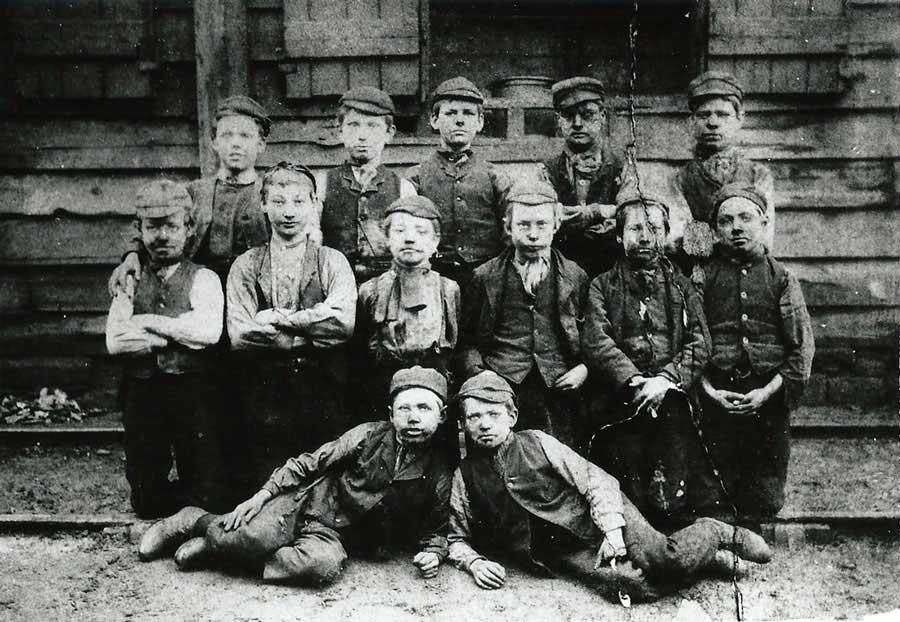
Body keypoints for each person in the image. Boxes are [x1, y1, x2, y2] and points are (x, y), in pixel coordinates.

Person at [447, 371, 772, 603]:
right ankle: (705, 558)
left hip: (605, 514)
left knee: (663, 560)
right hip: (566, 550)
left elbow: (595, 481)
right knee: (634, 587)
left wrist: (613, 533)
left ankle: (717, 533)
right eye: (474, 417)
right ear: (462, 424)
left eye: (493, 414)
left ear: (512, 416)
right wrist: (474, 562)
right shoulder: (465, 475)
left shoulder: (537, 443)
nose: (485, 424)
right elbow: (455, 537)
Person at [138, 367, 454, 587]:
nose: (413, 417)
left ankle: (220, 550)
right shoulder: (366, 435)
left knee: (321, 567)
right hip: (307, 502)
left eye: (424, 408)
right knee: (253, 536)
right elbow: (307, 464)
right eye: (404, 409)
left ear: (440, 417)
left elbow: (438, 528)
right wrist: (261, 496)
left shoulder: (439, 470)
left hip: (337, 534)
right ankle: (193, 521)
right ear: (390, 414)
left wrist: (433, 553)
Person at [226, 161, 356, 489]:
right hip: (264, 388)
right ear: (264, 205)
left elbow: (341, 323)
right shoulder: (246, 265)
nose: (289, 212)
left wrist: (278, 319)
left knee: (322, 479)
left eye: (299, 202)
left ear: (314, 205)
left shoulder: (332, 261)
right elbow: (241, 334)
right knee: (264, 481)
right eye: (279, 201)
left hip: (322, 384)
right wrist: (307, 333)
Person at [581, 190, 709, 520]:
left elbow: (700, 341)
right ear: (620, 236)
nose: (644, 237)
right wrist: (634, 379)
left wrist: (666, 379)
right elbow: (597, 340)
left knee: (675, 440)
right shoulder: (602, 285)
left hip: (671, 390)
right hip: (620, 392)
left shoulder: (683, 285)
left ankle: (671, 517)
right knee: (623, 456)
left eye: (654, 229)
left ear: (666, 235)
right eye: (635, 229)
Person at [105, 180, 226, 517]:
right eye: (152, 227)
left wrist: (149, 324)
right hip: (142, 389)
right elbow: (116, 340)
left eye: (171, 226)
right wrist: (173, 334)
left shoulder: (204, 278)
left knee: (204, 486)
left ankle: (192, 513)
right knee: (145, 498)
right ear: (139, 230)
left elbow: (207, 332)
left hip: (192, 388)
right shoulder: (129, 278)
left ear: (188, 228)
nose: (162, 236)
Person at [695, 184, 814, 516]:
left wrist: (767, 392)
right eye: (726, 220)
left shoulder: (781, 278)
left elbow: (801, 349)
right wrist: (710, 392)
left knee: (765, 501)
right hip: (715, 394)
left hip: (768, 396)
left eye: (745, 218)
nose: (736, 227)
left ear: (763, 222)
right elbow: (689, 341)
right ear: (715, 230)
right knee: (715, 495)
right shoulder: (702, 276)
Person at [456, 180, 590, 453]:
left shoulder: (575, 276)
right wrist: (482, 378)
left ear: (555, 226)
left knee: (558, 459)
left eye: (541, 225)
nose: (532, 234)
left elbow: (593, 334)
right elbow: (466, 341)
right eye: (523, 225)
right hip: (501, 384)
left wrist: (584, 368)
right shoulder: (485, 276)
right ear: (508, 227)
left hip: (559, 384)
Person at [108, 95, 271, 290]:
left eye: (245, 136)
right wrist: (131, 256)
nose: (235, 143)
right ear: (214, 143)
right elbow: (143, 224)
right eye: (227, 135)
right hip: (196, 291)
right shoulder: (192, 192)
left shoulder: (270, 194)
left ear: (261, 144)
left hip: (251, 294)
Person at [356, 195, 460, 421]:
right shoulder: (370, 291)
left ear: (435, 241)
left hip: (435, 393)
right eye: (400, 231)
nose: (410, 239)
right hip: (383, 393)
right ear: (387, 239)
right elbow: (359, 353)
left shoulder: (448, 289)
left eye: (421, 232)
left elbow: (457, 346)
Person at [406, 76, 509, 287]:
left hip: (486, 280)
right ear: (434, 120)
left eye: (468, 113)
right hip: (433, 279)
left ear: (480, 122)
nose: (459, 120)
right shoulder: (415, 177)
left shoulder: (495, 176)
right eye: (451, 113)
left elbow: (510, 232)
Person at [673, 71, 775, 279]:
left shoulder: (758, 175)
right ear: (692, 120)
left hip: (751, 276)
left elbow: (763, 238)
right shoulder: (681, 179)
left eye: (722, 114)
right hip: (700, 277)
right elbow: (682, 239)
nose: (712, 123)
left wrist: (706, 235)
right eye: (703, 115)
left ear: (739, 119)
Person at [321, 87, 418, 282]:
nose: (362, 135)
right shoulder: (323, 184)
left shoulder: (403, 189)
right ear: (340, 131)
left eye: (372, 126)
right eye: (354, 125)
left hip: (387, 285)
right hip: (335, 283)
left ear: (389, 133)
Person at [540, 77, 632, 276]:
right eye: (568, 115)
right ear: (558, 120)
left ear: (603, 116)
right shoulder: (547, 169)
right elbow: (547, 215)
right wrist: (598, 212)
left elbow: (630, 213)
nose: (578, 124)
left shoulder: (623, 165)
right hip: (561, 271)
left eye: (587, 115)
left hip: (613, 269)